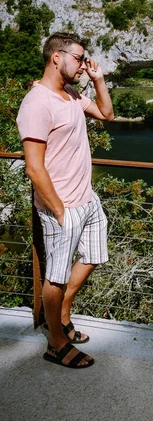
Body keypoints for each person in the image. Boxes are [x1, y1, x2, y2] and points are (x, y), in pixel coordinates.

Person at [17, 32, 114, 369]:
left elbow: (106, 114)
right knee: (55, 276)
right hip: (61, 207)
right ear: (57, 57)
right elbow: (33, 165)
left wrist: (98, 79)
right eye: (79, 58)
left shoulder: (72, 94)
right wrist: (58, 210)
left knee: (95, 255)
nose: (83, 64)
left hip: (86, 199)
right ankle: (56, 342)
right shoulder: (36, 103)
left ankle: (61, 314)